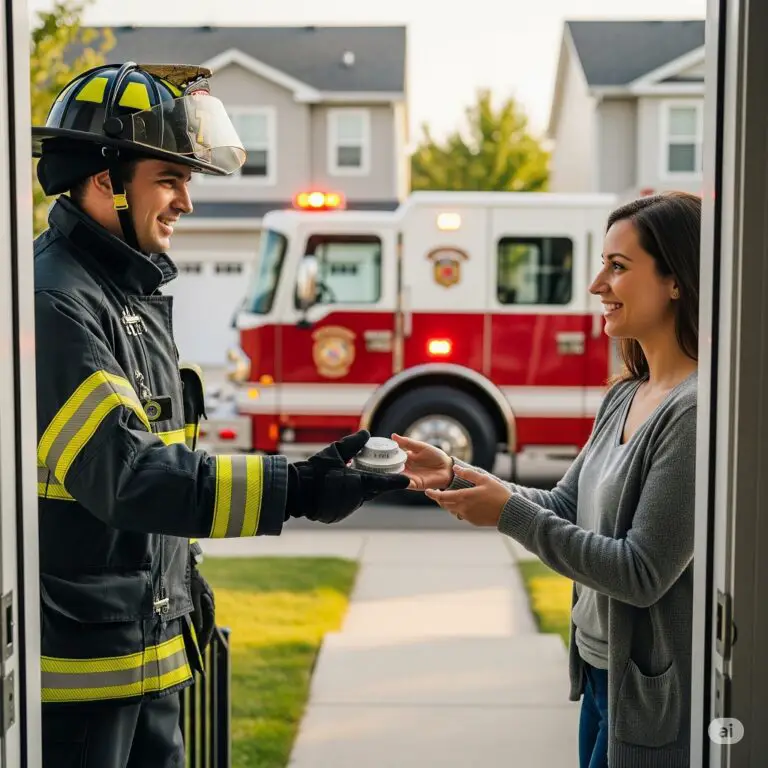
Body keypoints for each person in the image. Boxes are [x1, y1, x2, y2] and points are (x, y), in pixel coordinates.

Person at [32, 62, 408, 768]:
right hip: (88, 676)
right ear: (106, 178)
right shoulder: (56, 303)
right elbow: (128, 475)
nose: (186, 203)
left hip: (151, 649)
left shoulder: (124, 294)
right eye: (169, 179)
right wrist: (295, 488)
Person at [394, 191, 700, 768]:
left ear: (676, 281)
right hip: (598, 671)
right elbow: (564, 502)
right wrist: (459, 474)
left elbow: (640, 574)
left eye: (618, 267)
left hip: (648, 692)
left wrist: (507, 513)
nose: (596, 285)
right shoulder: (626, 394)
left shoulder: (692, 410)